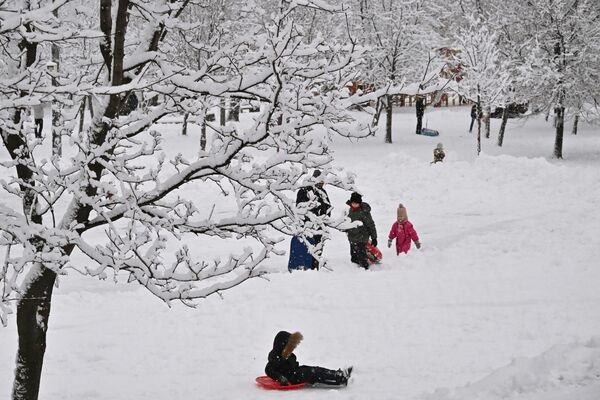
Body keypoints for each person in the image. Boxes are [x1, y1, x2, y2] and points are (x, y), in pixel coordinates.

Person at [265, 331, 352, 386]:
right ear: (282, 345)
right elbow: (268, 369)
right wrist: (280, 377)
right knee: (315, 374)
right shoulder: (275, 357)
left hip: (297, 372)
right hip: (293, 378)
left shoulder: (287, 354)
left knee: (315, 370)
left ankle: (336, 374)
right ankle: (339, 378)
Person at [295, 170, 331, 269]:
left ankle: (315, 266)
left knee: (318, 246)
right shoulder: (304, 191)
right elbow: (299, 209)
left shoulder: (323, 192)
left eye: (323, 183)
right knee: (308, 246)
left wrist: (325, 219)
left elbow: (328, 207)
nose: (322, 184)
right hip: (308, 226)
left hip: (320, 225)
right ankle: (307, 266)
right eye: (320, 182)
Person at [345, 192, 377, 269]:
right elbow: (348, 221)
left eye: (356, 203)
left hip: (362, 238)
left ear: (359, 203)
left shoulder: (364, 212)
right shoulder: (350, 210)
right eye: (353, 203)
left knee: (362, 257)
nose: (354, 205)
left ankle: (365, 270)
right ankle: (356, 270)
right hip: (352, 237)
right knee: (354, 257)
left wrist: (374, 237)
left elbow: (370, 224)